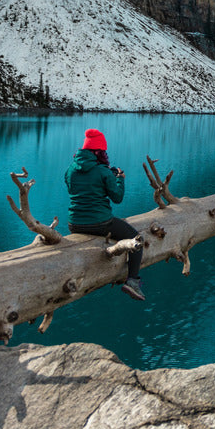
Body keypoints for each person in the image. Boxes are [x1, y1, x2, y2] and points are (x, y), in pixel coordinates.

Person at [65, 128, 145, 301]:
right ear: (97, 151)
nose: (105, 154)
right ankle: (132, 281)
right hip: (99, 223)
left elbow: (74, 190)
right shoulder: (103, 171)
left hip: (74, 224)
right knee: (136, 239)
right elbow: (117, 197)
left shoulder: (71, 169)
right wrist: (120, 179)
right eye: (103, 151)